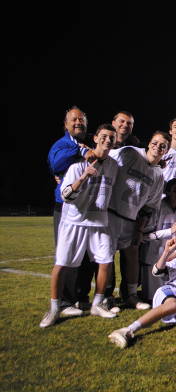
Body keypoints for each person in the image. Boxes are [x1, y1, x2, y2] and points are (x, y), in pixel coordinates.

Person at [40, 124, 120, 328]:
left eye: (112, 137)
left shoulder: (113, 165)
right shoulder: (77, 165)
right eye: (104, 136)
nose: (108, 140)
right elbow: (66, 195)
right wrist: (84, 177)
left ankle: (97, 304)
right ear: (95, 139)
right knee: (62, 264)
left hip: (99, 221)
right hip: (74, 220)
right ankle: (55, 308)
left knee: (106, 261)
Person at [107, 131, 168, 310]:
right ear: (149, 143)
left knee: (132, 255)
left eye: (163, 146)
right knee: (106, 257)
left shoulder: (158, 174)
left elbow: (150, 205)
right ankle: (105, 297)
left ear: (165, 151)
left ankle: (131, 296)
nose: (158, 147)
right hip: (111, 212)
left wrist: (140, 229)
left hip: (131, 218)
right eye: (155, 143)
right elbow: (105, 156)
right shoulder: (130, 152)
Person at [47, 106, 92, 315]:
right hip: (65, 206)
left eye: (81, 120)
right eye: (74, 120)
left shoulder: (89, 143)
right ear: (65, 124)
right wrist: (80, 151)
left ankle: (81, 297)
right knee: (66, 254)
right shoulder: (63, 144)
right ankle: (64, 302)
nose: (78, 123)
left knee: (84, 256)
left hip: (86, 208)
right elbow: (56, 164)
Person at [140, 178, 176, 301]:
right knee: (152, 297)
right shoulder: (157, 207)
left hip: (173, 256)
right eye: (175, 191)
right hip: (153, 256)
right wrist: (169, 231)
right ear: (167, 192)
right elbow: (144, 235)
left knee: (171, 296)